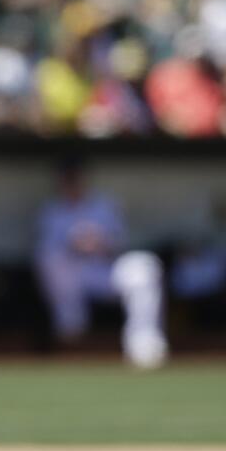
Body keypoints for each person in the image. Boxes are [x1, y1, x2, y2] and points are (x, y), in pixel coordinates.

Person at [34, 158, 169, 369]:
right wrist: (75, 244)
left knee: (144, 266)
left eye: (75, 178)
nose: (72, 183)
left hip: (106, 269)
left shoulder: (104, 204)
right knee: (50, 260)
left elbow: (119, 241)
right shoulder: (52, 211)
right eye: (67, 179)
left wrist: (100, 243)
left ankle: (143, 345)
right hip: (74, 275)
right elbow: (48, 249)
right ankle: (71, 332)